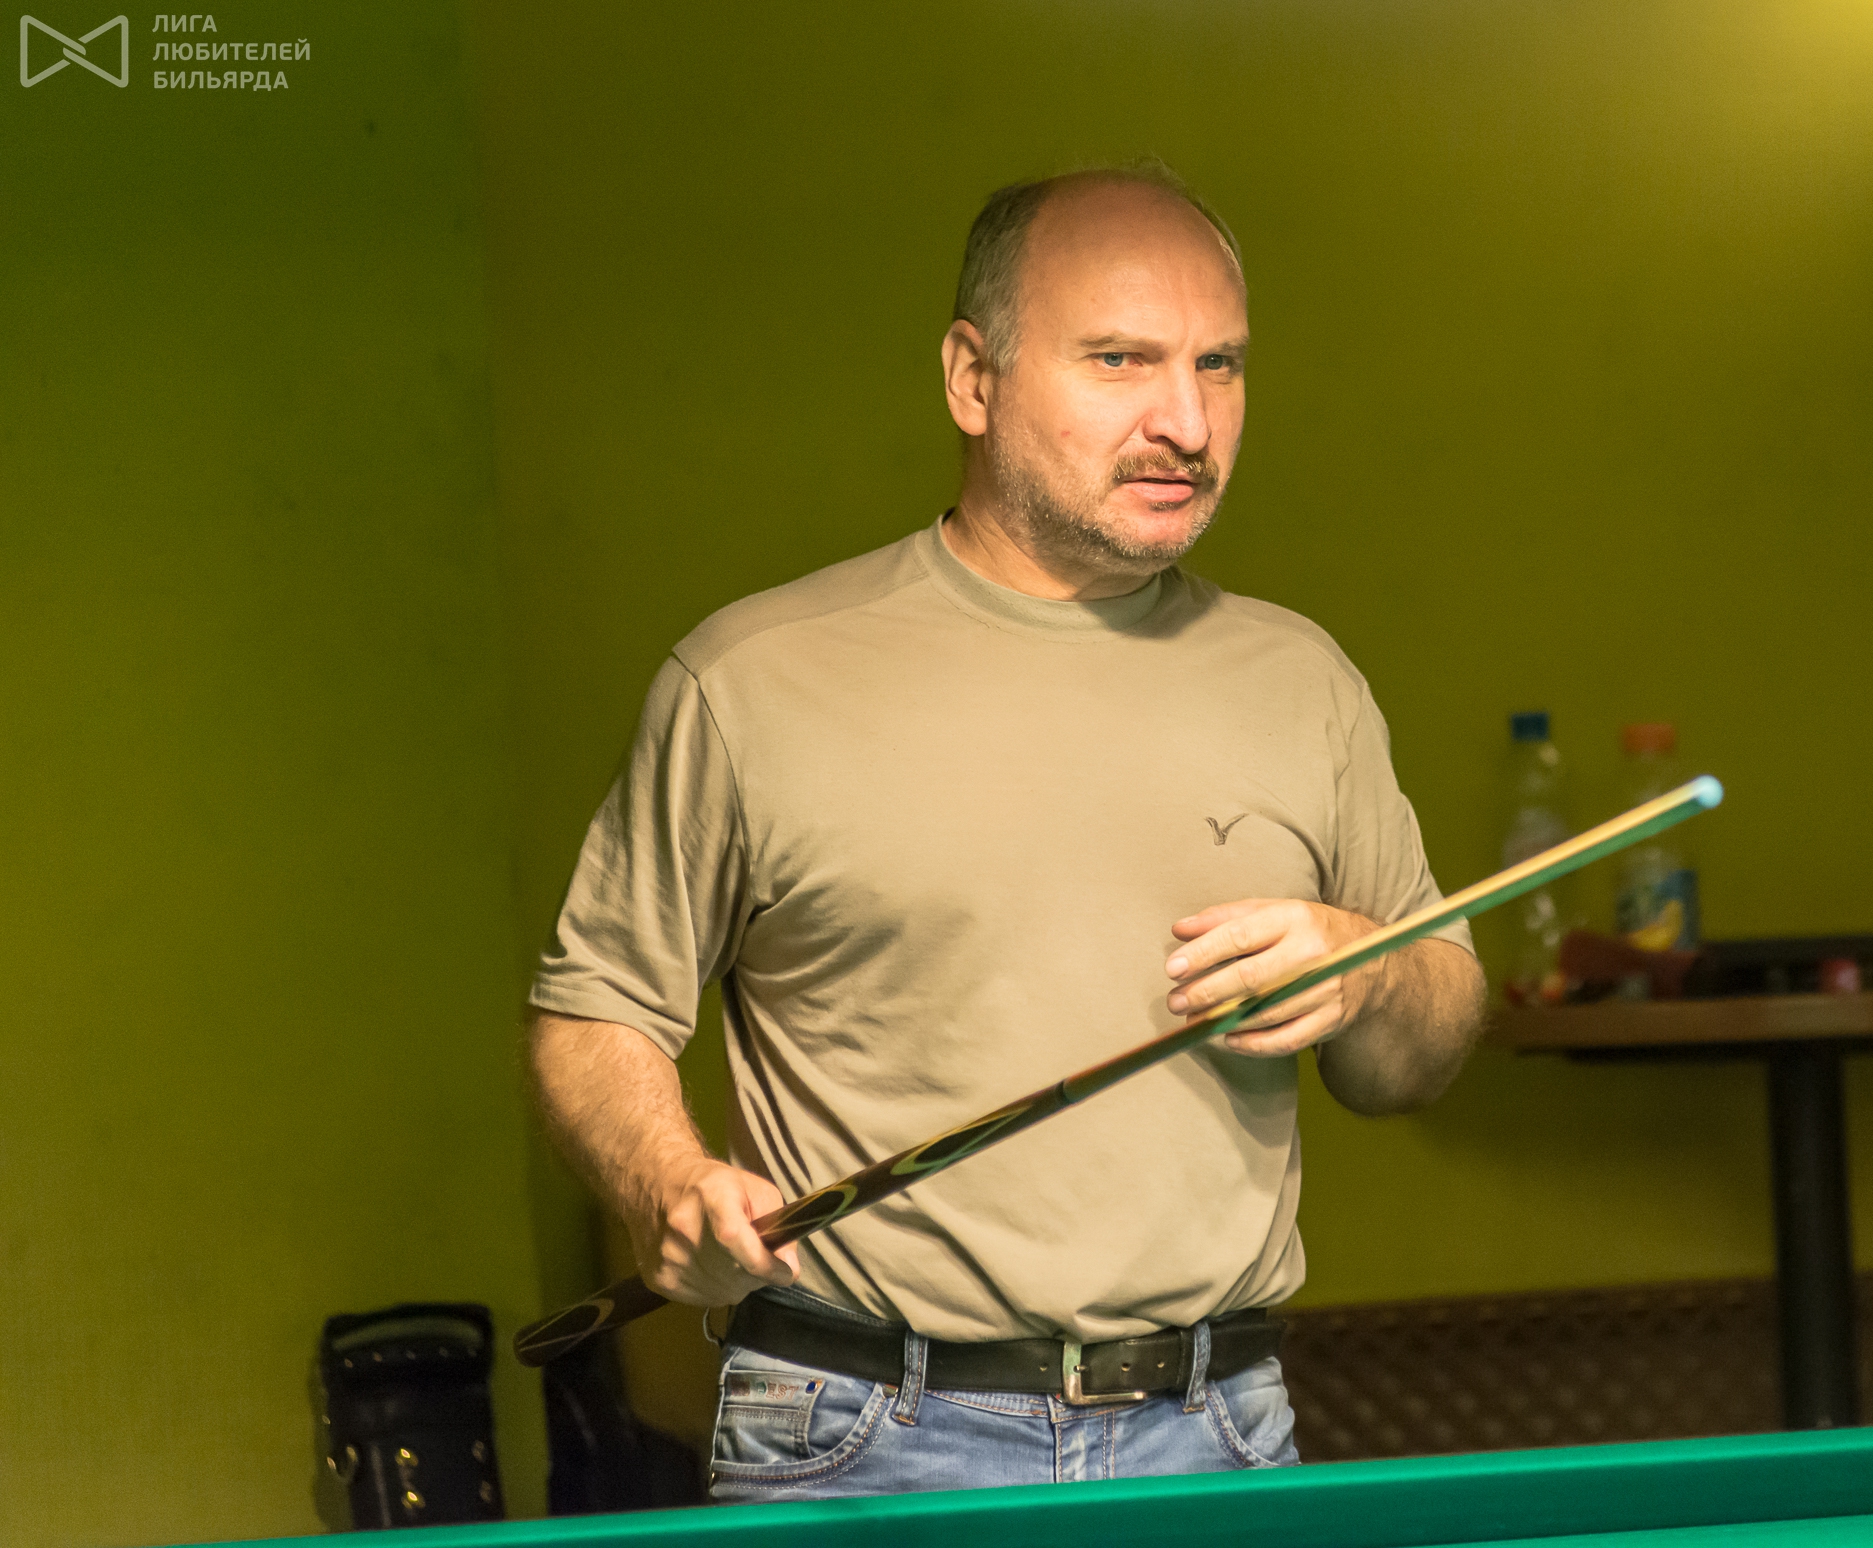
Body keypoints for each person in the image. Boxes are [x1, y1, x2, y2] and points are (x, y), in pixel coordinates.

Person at [525, 162, 1486, 1501]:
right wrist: (664, 1177)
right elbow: (595, 1011)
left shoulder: (1304, 681)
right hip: (861, 1435)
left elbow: (1424, 1046)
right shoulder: (753, 679)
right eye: (1121, 360)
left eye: (1218, 366)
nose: (1186, 422)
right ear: (972, 380)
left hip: (1216, 1429)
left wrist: (1369, 970)